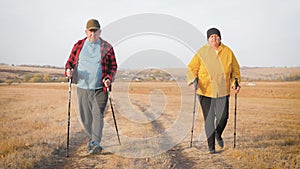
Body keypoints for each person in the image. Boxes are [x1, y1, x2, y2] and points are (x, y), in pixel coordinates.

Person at [65, 19, 118, 154]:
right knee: (86, 118)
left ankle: (95, 143)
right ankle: (91, 140)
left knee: (97, 114)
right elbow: (69, 63)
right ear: (86, 32)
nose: (93, 34)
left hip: (100, 88)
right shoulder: (79, 45)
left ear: (100, 32)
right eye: (90, 31)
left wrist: (108, 78)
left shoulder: (107, 47)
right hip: (83, 87)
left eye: (95, 31)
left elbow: (113, 67)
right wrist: (69, 71)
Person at [187, 28, 240, 154]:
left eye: (216, 36)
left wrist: (235, 83)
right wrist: (192, 81)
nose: (214, 38)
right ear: (208, 39)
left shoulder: (228, 52)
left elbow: (235, 71)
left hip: (222, 90)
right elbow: (191, 69)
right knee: (209, 118)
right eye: (211, 37)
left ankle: (218, 133)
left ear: (220, 38)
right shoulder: (202, 52)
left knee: (223, 117)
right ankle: (211, 147)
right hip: (205, 90)